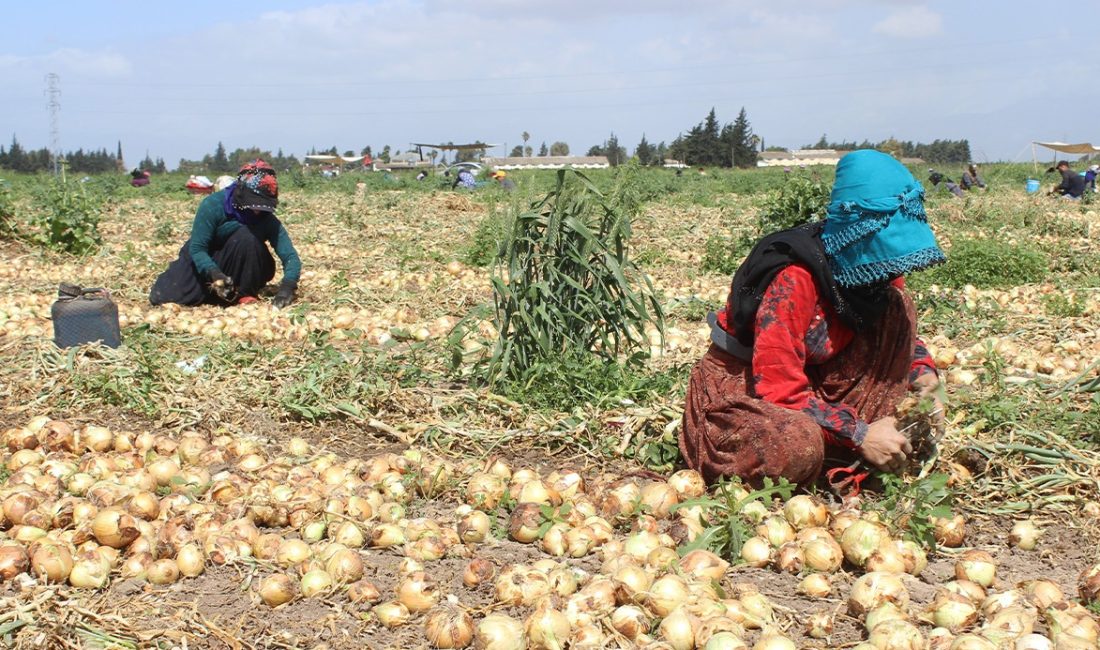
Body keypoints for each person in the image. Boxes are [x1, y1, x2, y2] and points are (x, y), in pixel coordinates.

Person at [680, 150, 947, 488]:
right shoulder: (794, 280)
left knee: (898, 305)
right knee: (797, 446)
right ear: (856, 236)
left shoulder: (876, 270)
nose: (893, 267)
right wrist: (860, 432)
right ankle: (837, 451)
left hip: (815, 379)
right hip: (749, 388)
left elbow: (905, 342)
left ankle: (850, 449)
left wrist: (925, 381)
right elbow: (779, 390)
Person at [149, 160, 300, 308]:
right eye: (254, 204)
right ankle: (219, 290)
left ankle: (245, 292)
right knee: (163, 295)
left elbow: (290, 256)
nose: (257, 211)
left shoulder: (265, 218)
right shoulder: (213, 205)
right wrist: (214, 274)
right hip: (209, 257)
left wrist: (288, 286)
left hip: (246, 262)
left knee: (247, 236)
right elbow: (198, 248)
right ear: (240, 193)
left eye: (263, 206)